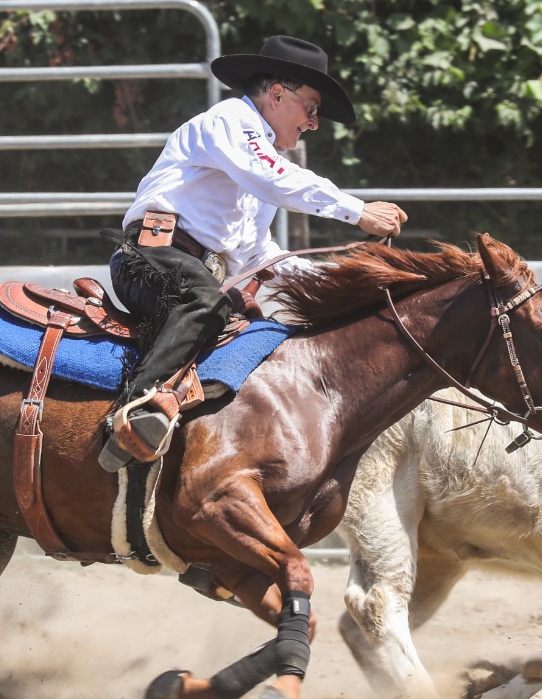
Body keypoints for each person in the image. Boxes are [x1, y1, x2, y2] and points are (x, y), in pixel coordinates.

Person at [100, 35, 408, 472]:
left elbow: (258, 254)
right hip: (151, 259)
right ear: (278, 94)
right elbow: (274, 178)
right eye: (311, 108)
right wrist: (357, 211)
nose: (314, 123)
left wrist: (342, 281)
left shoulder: (256, 164)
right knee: (204, 301)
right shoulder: (232, 120)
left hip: (187, 268)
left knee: (252, 328)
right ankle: (136, 413)